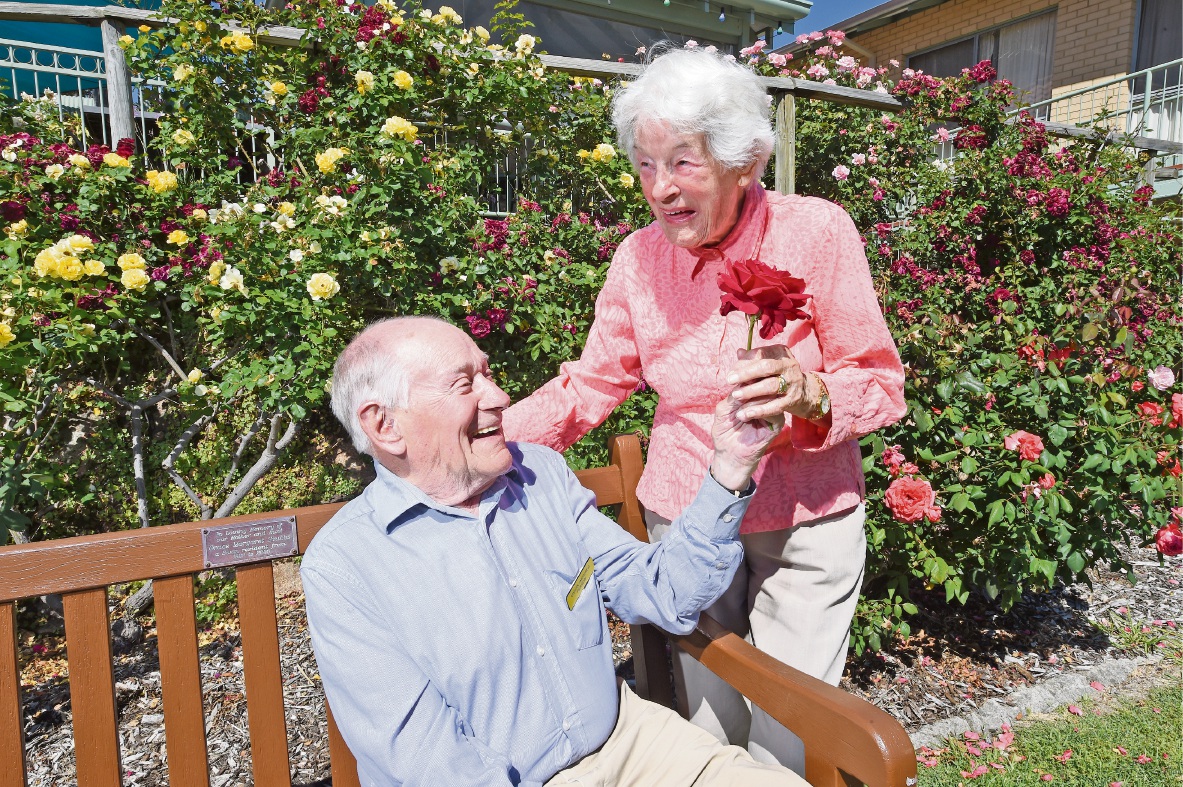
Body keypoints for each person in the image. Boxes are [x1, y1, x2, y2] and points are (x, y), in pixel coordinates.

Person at [502, 45, 906, 771]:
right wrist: (483, 441)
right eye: (645, 165)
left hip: (806, 514)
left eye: (682, 163)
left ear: (742, 162)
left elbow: (877, 380)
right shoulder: (637, 259)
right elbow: (591, 384)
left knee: (792, 725)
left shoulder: (816, 231)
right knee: (707, 716)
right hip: (687, 515)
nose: (660, 188)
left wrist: (812, 394)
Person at [301, 316, 808, 786]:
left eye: (487, 374)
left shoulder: (539, 475)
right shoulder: (345, 566)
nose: (500, 397)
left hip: (633, 743)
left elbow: (662, 592)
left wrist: (730, 467)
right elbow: (430, 762)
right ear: (385, 426)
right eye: (464, 384)